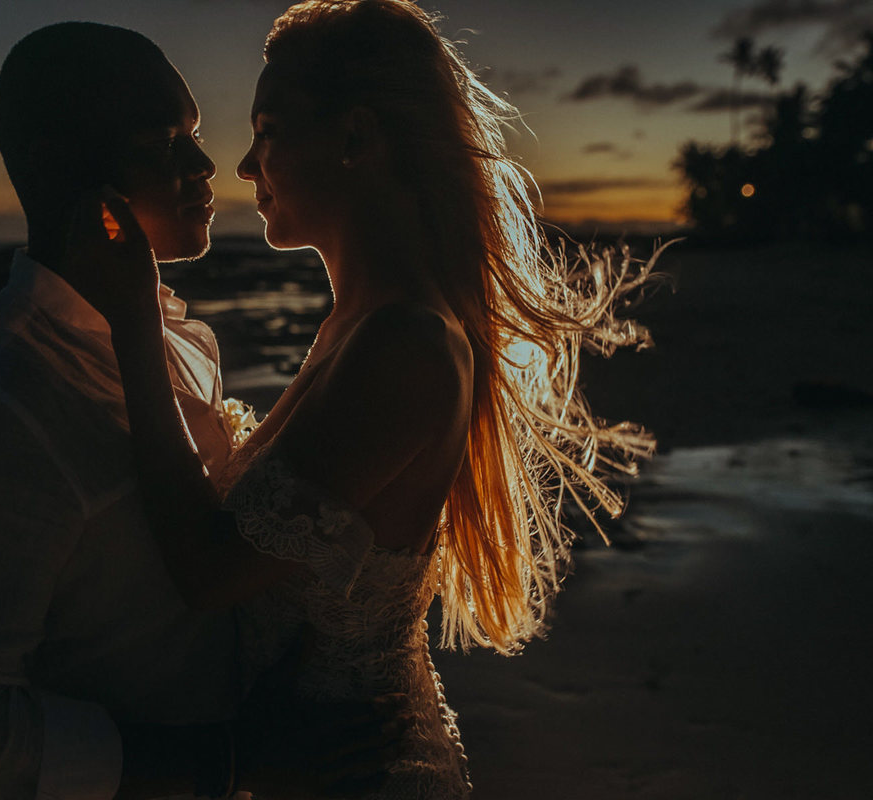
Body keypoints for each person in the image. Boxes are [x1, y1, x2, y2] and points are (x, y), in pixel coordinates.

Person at [67, 1, 660, 798]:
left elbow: (209, 573)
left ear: (355, 140)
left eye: (269, 130)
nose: (244, 167)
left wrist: (136, 323)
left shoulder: (406, 349)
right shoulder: (359, 326)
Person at [0, 21, 402, 800]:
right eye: (165, 140)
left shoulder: (177, 342)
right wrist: (224, 765)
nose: (205, 164)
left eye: (193, 133)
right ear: (75, 176)